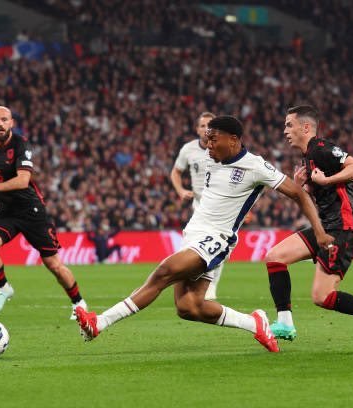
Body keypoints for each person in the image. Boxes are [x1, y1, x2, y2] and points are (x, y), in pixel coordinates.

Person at [75, 116, 334, 352]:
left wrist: (319, 232)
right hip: (193, 234)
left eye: (213, 139)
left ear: (233, 140)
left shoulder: (255, 166)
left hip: (216, 239)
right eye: (207, 139)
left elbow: (298, 194)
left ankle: (99, 323)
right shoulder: (211, 159)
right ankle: (254, 323)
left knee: (164, 272)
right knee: (188, 307)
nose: (208, 145)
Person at [264, 105, 353, 349]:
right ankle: (285, 323)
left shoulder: (322, 148)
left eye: (289, 125)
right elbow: (319, 196)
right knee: (275, 257)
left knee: (322, 297)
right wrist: (303, 187)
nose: (285, 130)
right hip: (327, 225)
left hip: (344, 227)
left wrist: (326, 180)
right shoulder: (308, 156)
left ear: (305, 127)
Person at [0, 106, 87, 319]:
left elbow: (23, 180)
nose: (0, 124)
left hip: (30, 210)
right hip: (5, 210)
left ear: (11, 123)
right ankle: (4, 288)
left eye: (4, 120)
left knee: (53, 264)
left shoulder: (21, 144)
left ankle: (79, 302)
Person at [171, 111, 225, 300]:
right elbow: (176, 172)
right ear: (197, 129)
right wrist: (180, 190)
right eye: (202, 126)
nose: (206, 129)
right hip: (199, 207)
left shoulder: (223, 148)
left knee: (218, 247)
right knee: (191, 245)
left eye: (210, 125)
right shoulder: (188, 150)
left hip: (220, 208)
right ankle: (190, 282)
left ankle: (211, 286)